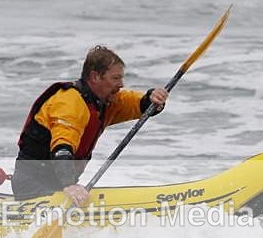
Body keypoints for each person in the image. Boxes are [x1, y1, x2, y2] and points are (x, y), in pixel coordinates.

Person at [11, 46, 168, 205]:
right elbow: (62, 148)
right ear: (95, 76)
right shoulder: (70, 102)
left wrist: (153, 98)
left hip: (60, 186)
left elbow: (139, 104)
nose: (121, 84)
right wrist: (69, 184)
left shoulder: (105, 101)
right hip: (33, 186)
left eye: (121, 78)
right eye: (115, 78)